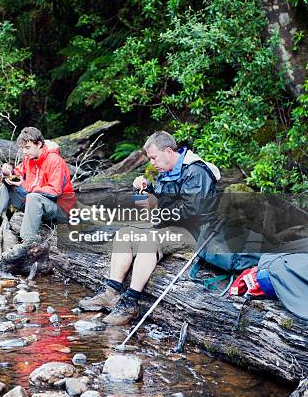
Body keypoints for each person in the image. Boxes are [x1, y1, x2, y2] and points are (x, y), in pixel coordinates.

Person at [78, 130, 220, 325]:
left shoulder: (196, 172)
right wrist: (143, 190)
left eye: (154, 158)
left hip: (196, 231)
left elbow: (190, 211)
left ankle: (130, 303)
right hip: (169, 226)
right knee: (124, 233)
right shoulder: (167, 171)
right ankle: (111, 292)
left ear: (169, 151)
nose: (152, 163)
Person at [0, 127, 76, 244]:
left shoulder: (55, 160)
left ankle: (27, 241)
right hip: (34, 204)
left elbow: (55, 191)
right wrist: (8, 172)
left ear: (39, 144)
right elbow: (17, 174)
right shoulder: (29, 159)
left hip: (60, 209)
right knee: (7, 187)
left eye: (27, 148)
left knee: (33, 198)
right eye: (22, 148)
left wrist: (25, 185)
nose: (24, 152)